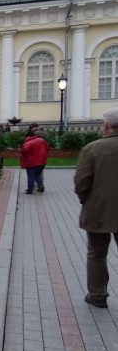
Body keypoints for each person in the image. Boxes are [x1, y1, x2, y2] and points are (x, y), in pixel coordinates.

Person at [74, 107, 118, 308]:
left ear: (107, 126)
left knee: (97, 254)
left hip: (98, 210)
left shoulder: (93, 149)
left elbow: (82, 182)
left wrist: (86, 201)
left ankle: (98, 295)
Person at [20, 125, 49, 195]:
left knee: (31, 176)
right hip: (42, 162)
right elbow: (47, 149)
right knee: (38, 175)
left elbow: (24, 151)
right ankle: (40, 186)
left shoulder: (28, 143)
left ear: (28, 136)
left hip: (31, 163)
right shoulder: (42, 140)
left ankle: (29, 190)